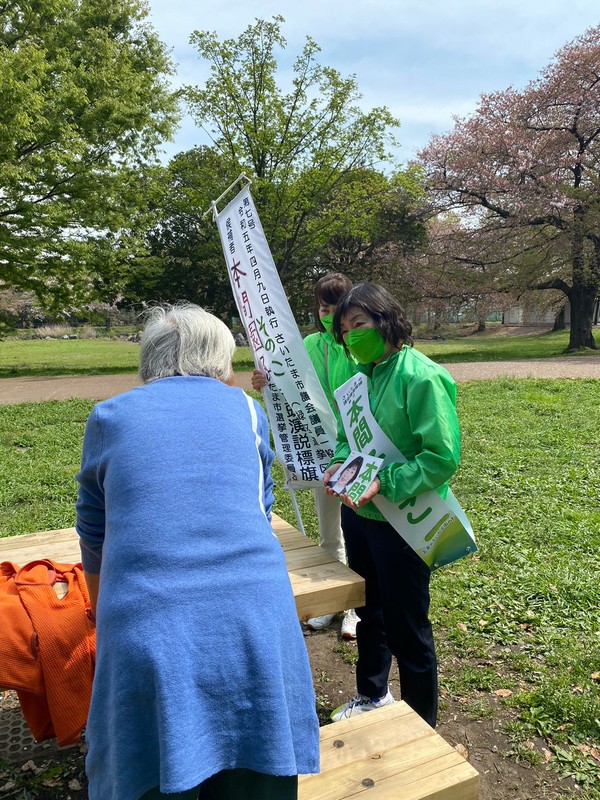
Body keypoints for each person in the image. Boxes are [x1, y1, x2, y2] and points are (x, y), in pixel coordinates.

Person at [76, 303, 319, 800]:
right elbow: (261, 508)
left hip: (147, 627)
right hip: (257, 618)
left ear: (149, 360)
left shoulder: (109, 417)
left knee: (150, 772)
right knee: (259, 768)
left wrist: (104, 615)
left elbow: (94, 534)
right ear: (221, 362)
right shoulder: (247, 410)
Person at [323, 283, 461, 729]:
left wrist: (387, 482)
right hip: (359, 514)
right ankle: (372, 693)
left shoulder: (422, 377)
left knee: (408, 627)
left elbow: (440, 457)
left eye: (359, 324)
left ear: (386, 320)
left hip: (402, 521)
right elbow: (345, 437)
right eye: (345, 330)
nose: (351, 336)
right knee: (369, 612)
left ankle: (423, 726)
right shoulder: (357, 380)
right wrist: (340, 466)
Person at [252, 273, 359, 638]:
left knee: (358, 533)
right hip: (323, 453)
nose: (328, 314)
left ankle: (355, 610)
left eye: (335, 307)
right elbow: (285, 385)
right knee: (329, 532)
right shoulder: (307, 346)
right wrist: (265, 383)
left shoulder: (359, 347)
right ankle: (332, 601)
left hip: (359, 451)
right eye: (323, 308)